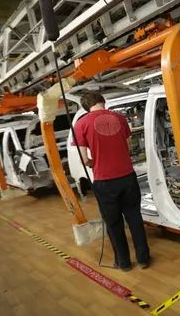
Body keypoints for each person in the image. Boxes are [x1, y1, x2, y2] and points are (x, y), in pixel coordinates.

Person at [73, 92, 151, 271]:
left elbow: (84, 159)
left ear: (86, 106)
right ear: (102, 101)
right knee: (134, 217)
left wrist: (96, 162)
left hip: (105, 181)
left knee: (114, 223)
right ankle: (143, 258)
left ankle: (123, 263)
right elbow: (129, 146)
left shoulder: (81, 124)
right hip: (128, 177)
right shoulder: (121, 118)